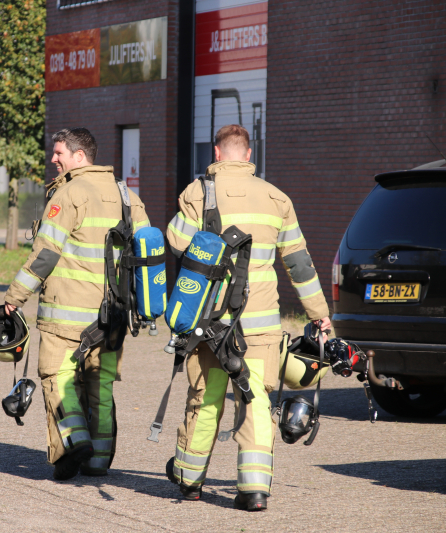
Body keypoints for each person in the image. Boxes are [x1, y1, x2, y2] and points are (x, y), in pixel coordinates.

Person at [165, 124, 330, 511]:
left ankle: (189, 481)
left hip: (210, 325)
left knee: (205, 400)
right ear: (250, 155)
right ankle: (254, 491)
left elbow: (175, 241)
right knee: (255, 401)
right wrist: (319, 315)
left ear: (218, 154)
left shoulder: (197, 192)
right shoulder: (277, 198)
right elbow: (299, 264)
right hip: (261, 327)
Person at [3, 128, 150, 480]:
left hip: (66, 315)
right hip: (113, 315)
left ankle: (75, 443)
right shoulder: (129, 196)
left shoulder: (68, 194)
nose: (53, 159)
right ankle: (97, 462)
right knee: (99, 385)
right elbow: (145, 254)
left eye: (59, 153)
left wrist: (14, 297)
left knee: (58, 377)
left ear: (79, 156)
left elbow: (44, 256)